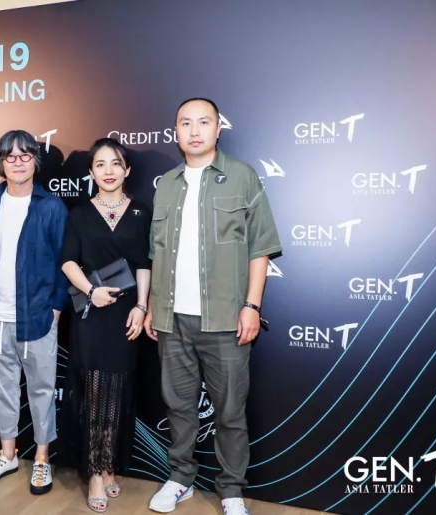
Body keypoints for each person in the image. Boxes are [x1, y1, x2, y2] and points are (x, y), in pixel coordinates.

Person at [144, 98, 282, 515]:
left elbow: (260, 247)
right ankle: (180, 478)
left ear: (218, 128)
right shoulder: (167, 184)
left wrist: (252, 305)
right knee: (178, 406)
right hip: (171, 319)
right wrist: (151, 307)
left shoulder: (242, 176)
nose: (194, 130)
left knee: (230, 411)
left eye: (203, 122)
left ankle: (231, 489)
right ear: (175, 131)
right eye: (185, 123)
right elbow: (156, 253)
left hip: (225, 319)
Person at [0, 129, 70, 495]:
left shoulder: (52, 207)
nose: (17, 162)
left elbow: (65, 261)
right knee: (2, 389)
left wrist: (56, 308)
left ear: (34, 161)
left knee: (42, 389)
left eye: (24, 155)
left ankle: (42, 459)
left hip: (37, 317)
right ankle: (8, 454)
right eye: (9, 156)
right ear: (1, 163)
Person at [60, 138, 151, 513]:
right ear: (91, 172)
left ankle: (109, 463)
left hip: (126, 314)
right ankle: (95, 473)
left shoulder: (141, 212)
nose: (108, 171)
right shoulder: (80, 213)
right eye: (100, 164)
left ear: (127, 170)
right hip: (92, 312)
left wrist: (142, 307)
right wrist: (91, 291)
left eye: (115, 163)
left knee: (117, 391)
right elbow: (68, 261)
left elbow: (144, 263)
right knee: (95, 391)